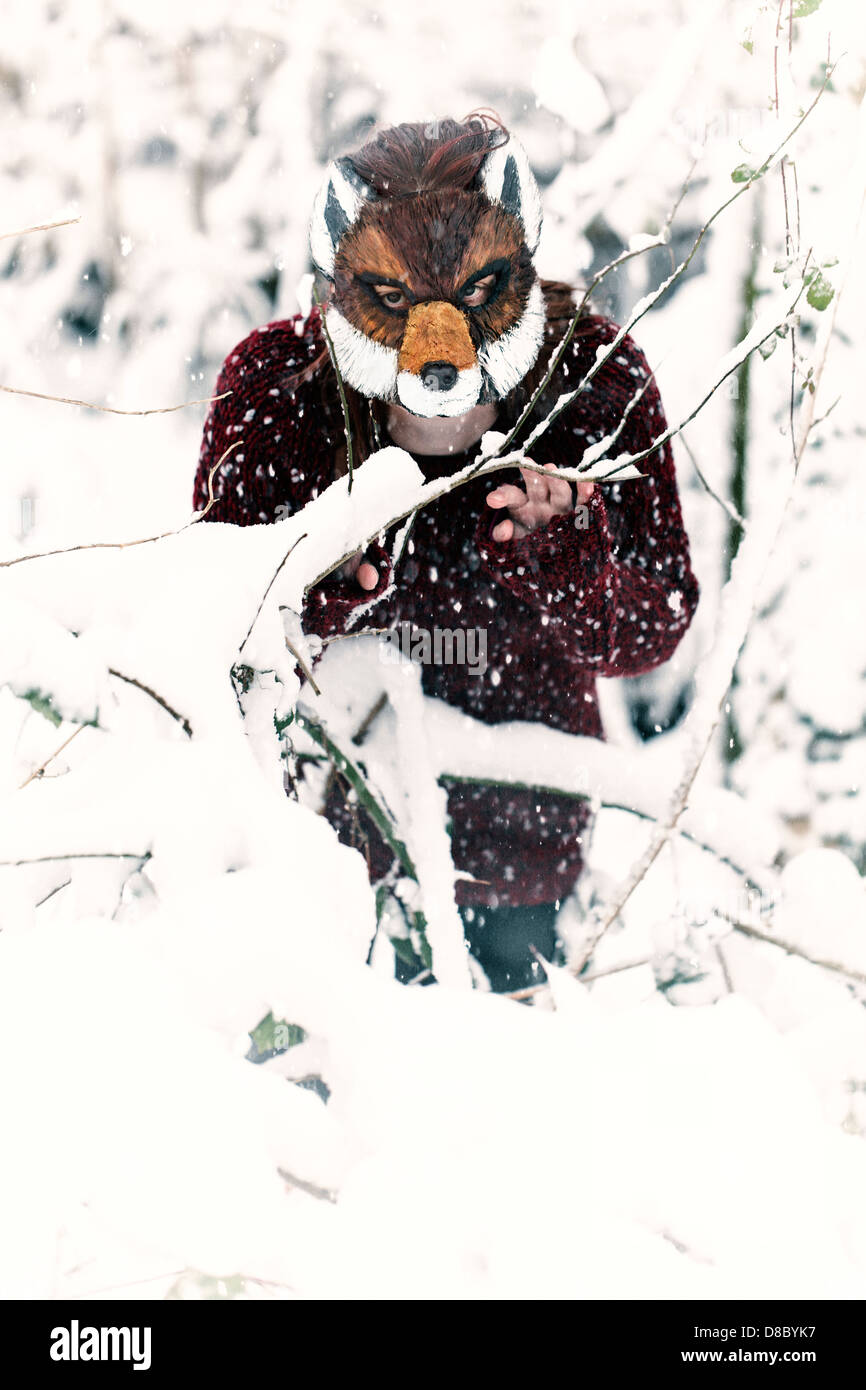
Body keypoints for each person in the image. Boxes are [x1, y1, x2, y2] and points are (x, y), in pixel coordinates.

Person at [193, 114, 699, 991]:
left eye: (476, 298)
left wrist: (566, 557)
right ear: (339, 289)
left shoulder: (592, 380)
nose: (438, 357)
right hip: (316, 850)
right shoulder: (278, 390)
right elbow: (203, 638)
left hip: (521, 849)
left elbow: (653, 629)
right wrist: (311, 590)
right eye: (390, 305)